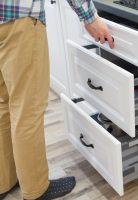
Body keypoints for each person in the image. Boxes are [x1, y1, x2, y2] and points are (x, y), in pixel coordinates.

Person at [0, 0, 114, 199]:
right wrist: (89, 17)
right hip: (20, 19)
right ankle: (35, 190)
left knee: (3, 105)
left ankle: (4, 181)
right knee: (27, 111)